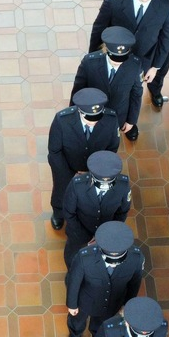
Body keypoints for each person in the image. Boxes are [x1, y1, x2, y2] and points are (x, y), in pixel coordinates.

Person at [89, 0, 169, 94]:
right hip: (112, 55)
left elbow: (166, 38)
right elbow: (98, 29)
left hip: (142, 60)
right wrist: (93, 56)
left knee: (130, 94)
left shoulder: (166, 5)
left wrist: (155, 67)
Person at [65, 221, 143, 337]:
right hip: (86, 300)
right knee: (77, 321)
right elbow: (74, 281)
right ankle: (75, 336)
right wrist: (72, 304)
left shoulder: (135, 258)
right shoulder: (85, 257)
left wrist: (127, 305)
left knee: (101, 326)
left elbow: (134, 283)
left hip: (112, 301)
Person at [47, 88, 120, 231]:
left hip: (95, 170)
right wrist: (68, 173)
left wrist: (96, 171)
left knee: (89, 197)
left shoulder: (111, 119)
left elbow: (112, 148)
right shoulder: (62, 120)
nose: (93, 123)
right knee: (61, 191)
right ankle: (58, 212)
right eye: (89, 119)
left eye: (96, 118)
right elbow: (54, 151)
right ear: (79, 111)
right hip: (68, 167)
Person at [61, 151, 132, 268]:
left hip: (107, 235)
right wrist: (85, 236)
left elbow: (122, 212)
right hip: (79, 232)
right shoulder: (77, 185)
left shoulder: (123, 186)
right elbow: (69, 213)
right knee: (73, 259)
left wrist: (107, 235)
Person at [73, 27, 143, 141]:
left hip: (118, 115)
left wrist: (131, 120)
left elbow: (136, 94)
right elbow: (78, 90)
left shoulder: (135, 65)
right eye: (114, 56)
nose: (117, 62)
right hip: (91, 112)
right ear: (105, 49)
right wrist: (75, 117)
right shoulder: (89, 63)